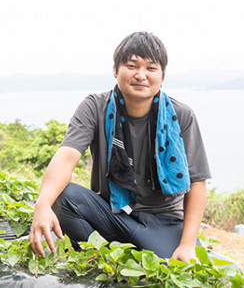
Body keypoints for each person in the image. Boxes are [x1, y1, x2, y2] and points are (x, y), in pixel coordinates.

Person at [29, 31, 211, 263]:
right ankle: (102, 262)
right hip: (113, 213)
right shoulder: (95, 107)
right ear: (116, 71)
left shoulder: (181, 115)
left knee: (183, 269)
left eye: (151, 68)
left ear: (162, 76)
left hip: (163, 222)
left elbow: (197, 182)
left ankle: (130, 255)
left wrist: (186, 245)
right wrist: (42, 204)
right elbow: (66, 157)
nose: (141, 75)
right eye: (132, 65)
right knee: (64, 196)